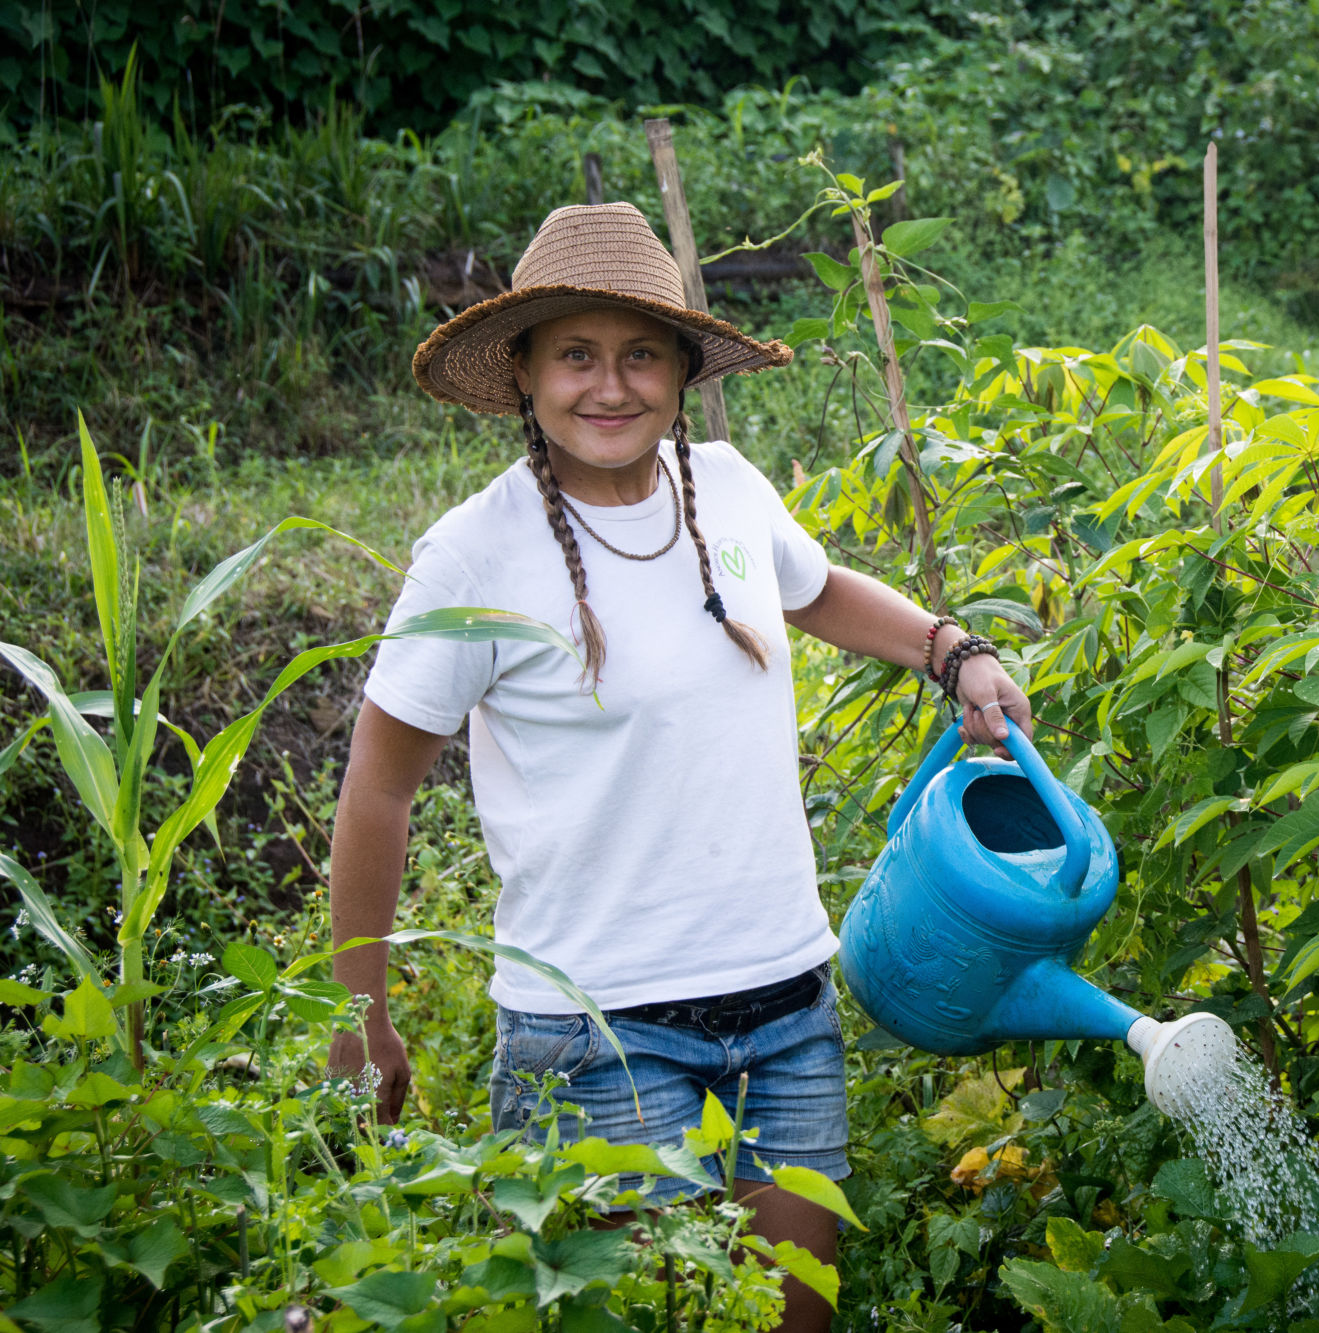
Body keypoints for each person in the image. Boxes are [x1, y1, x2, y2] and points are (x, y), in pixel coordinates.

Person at [325, 202, 1030, 1333]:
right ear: (523, 373)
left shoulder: (732, 490)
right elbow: (380, 784)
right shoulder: (475, 551)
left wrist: (951, 651)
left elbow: (819, 590)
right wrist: (359, 1008)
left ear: (683, 369)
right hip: (597, 1031)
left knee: (798, 1319)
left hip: (786, 1007)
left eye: (640, 354)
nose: (611, 387)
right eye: (577, 355)